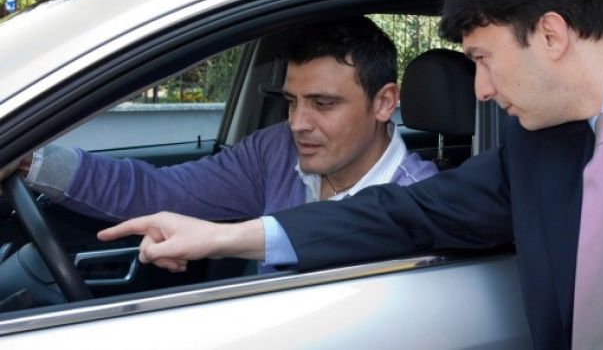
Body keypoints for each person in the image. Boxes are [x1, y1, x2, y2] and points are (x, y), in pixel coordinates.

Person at [98, 0, 603, 349]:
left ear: (550, 35)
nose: (480, 90)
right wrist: (225, 237)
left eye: (482, 59)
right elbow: (405, 213)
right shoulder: (541, 146)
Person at [2, 17, 438, 273]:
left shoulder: (426, 201)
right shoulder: (276, 151)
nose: (297, 123)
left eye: (323, 104)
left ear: (384, 102)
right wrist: (28, 158)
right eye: (291, 101)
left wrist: (219, 239)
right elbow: (159, 192)